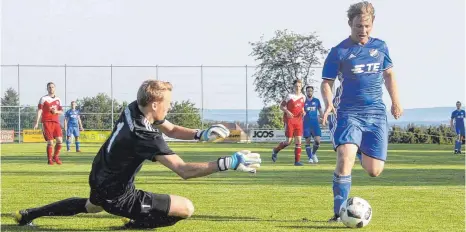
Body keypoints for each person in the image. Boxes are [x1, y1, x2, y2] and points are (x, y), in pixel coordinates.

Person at [14, 80, 261, 229]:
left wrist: (201, 134)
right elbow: (183, 171)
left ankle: (30, 214)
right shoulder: (144, 135)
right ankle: (135, 224)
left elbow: (172, 129)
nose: (171, 106)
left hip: (100, 173)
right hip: (118, 194)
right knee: (186, 208)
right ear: (154, 104)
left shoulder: (133, 108)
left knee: (91, 207)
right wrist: (227, 162)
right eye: (169, 102)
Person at [320, 1, 402, 222]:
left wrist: (396, 101)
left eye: (367, 26)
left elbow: (389, 75)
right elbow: (326, 82)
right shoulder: (339, 51)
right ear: (350, 24)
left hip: (376, 114)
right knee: (345, 157)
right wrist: (328, 103)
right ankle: (338, 213)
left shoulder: (381, 47)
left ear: (372, 23)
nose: (363, 30)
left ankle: (353, 151)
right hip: (347, 113)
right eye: (358, 26)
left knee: (374, 170)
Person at [272, 79, 306, 166]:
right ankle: (276, 150)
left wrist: (303, 112)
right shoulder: (289, 96)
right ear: (293, 87)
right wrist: (287, 112)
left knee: (298, 140)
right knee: (288, 141)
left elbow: (302, 108)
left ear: (301, 87)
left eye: (299, 86)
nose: (298, 88)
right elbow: (281, 106)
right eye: (296, 86)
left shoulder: (303, 97)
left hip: (299, 121)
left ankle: (297, 161)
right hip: (290, 120)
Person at [33, 82, 64, 165]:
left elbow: (61, 111)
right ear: (47, 89)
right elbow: (39, 110)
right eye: (49, 87)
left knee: (60, 140)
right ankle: (50, 159)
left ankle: (55, 157)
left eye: (52, 87)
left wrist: (56, 111)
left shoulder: (58, 99)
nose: (51, 88)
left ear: (55, 88)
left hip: (56, 122)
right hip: (46, 122)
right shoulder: (43, 99)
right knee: (50, 142)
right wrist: (36, 122)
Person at [303, 86, 324, 164]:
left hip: (315, 124)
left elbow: (320, 111)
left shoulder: (317, 101)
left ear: (313, 91)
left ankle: (313, 153)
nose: (309, 92)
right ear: (306, 92)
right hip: (306, 124)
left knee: (317, 141)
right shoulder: (303, 101)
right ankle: (310, 158)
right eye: (308, 91)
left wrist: (323, 119)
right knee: (307, 141)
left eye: (311, 91)